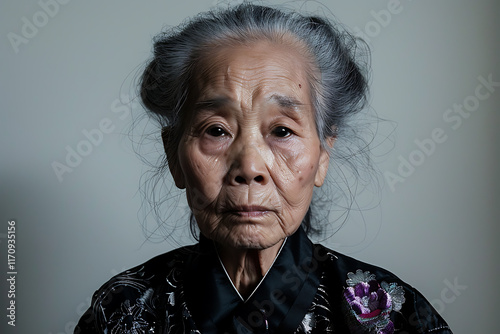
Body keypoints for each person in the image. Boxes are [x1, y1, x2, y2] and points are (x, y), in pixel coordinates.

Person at [75, 3, 452, 334]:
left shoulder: (394, 315)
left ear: (322, 157)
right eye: (217, 130)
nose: (250, 168)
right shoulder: (119, 312)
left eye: (282, 130)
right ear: (175, 156)